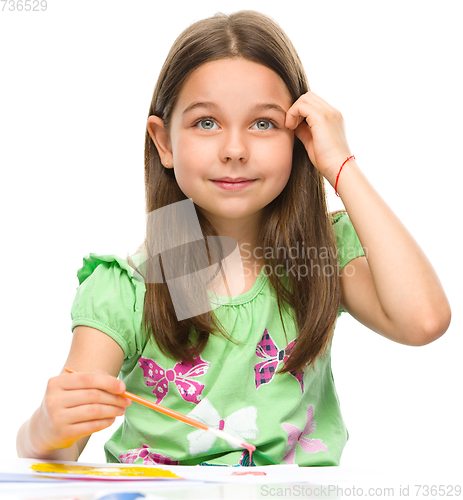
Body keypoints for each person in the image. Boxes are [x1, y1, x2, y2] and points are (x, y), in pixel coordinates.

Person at [17, 10, 450, 467]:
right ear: (164, 143)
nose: (235, 150)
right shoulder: (125, 289)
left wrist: (340, 164)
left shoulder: (323, 256)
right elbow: (55, 450)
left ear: (299, 138)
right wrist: (46, 426)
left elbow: (423, 321)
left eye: (263, 124)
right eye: (207, 123)